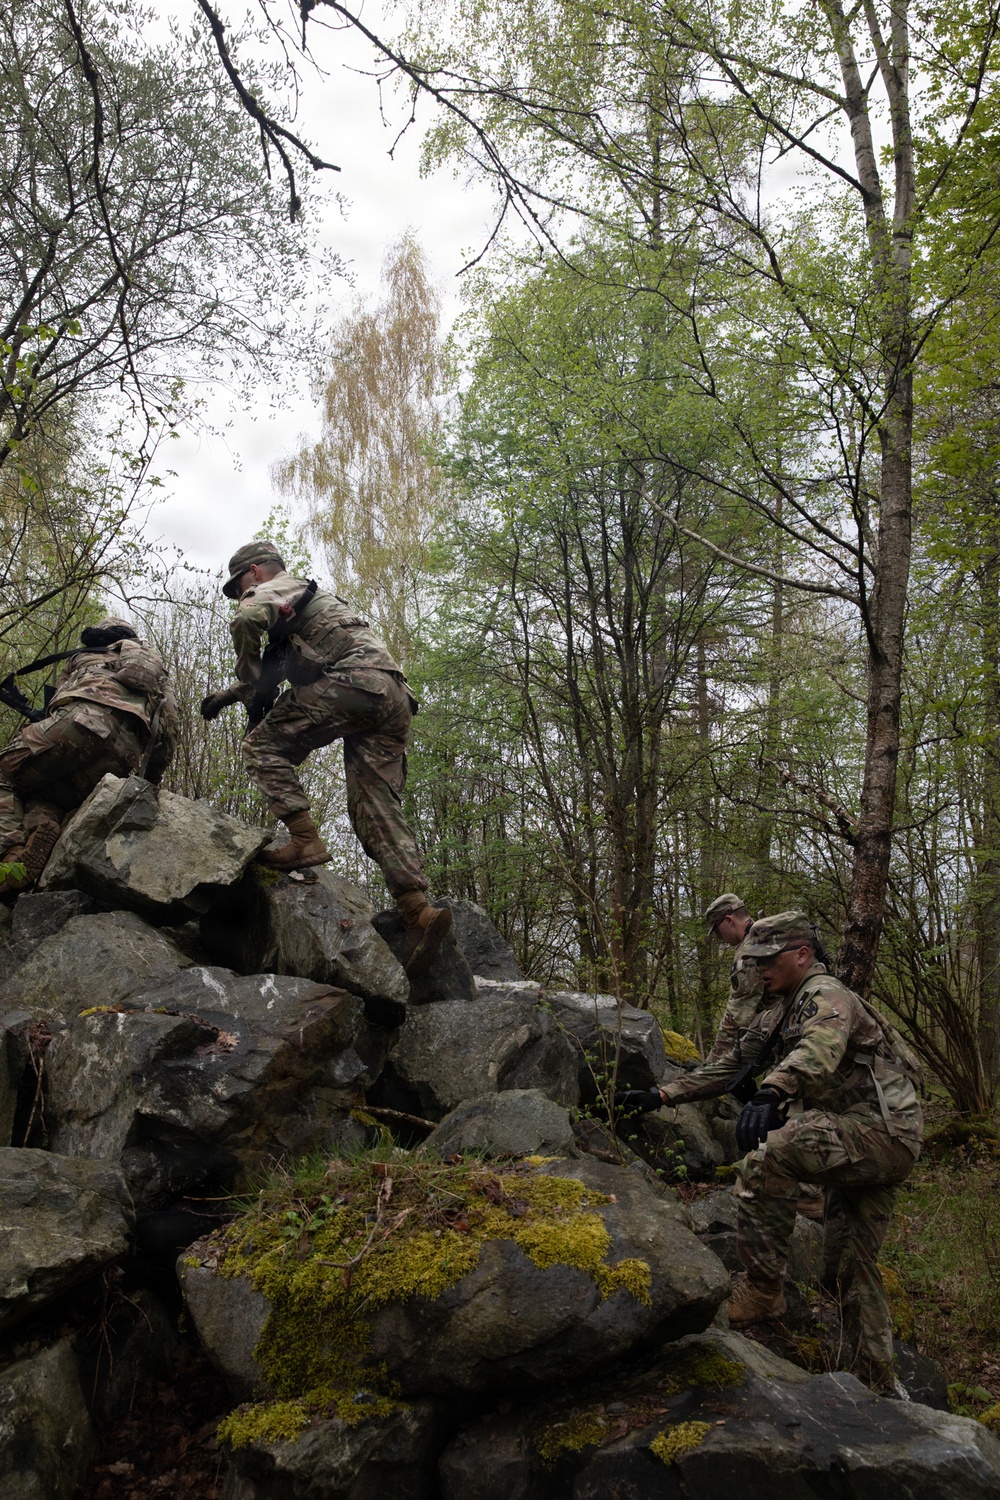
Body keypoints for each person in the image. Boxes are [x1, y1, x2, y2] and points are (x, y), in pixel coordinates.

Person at [623, 910, 923, 1394]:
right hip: (866, 1140)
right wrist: (661, 1096)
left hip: (880, 1134)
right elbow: (728, 1067)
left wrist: (774, 1090)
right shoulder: (776, 1009)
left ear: (802, 954)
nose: (758, 968)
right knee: (848, 1266)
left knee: (770, 1154)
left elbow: (818, 1051)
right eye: (754, 958)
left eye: (768, 959)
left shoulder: (826, 995)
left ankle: (764, 1289)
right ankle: (877, 1388)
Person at [200, 541, 452, 978]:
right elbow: (273, 674)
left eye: (238, 585)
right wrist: (227, 697)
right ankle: (418, 911)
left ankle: (304, 840)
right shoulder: (306, 606)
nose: (239, 595)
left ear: (256, 573)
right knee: (374, 807)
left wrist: (246, 671)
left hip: (355, 682)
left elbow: (245, 620)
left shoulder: (277, 587)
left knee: (261, 746)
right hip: (391, 695)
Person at [0, 618, 175, 894]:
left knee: (6, 771)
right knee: (48, 795)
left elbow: (56, 706)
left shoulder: (84, 656)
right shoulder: (160, 680)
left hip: (79, 722)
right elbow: (166, 738)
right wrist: (149, 786)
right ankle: (35, 838)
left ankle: (7, 854)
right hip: (120, 759)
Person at [703, 893, 824, 1222]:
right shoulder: (777, 938)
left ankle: (808, 1196)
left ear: (730, 920)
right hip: (797, 1038)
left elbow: (736, 1020)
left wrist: (712, 1071)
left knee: (783, 1112)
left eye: (717, 930)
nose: (719, 938)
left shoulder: (751, 953)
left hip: (784, 1045)